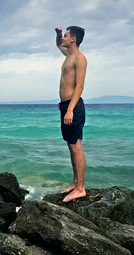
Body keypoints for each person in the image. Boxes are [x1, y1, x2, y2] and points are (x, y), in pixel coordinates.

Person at [55, 26, 88, 202]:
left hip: (73, 107)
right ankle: (75, 183)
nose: (64, 38)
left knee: (76, 147)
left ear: (73, 38)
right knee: (71, 146)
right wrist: (58, 34)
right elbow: (58, 45)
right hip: (66, 106)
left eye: (66, 35)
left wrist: (70, 110)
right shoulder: (68, 55)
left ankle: (81, 188)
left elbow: (80, 86)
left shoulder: (80, 59)